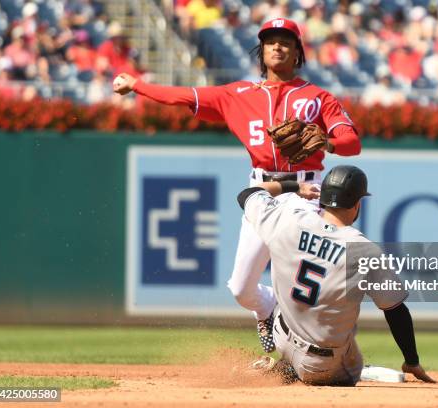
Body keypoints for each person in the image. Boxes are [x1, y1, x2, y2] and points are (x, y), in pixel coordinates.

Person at [112, 18, 361, 353]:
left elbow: (351, 141)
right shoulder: (237, 95)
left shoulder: (318, 97)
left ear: (298, 52)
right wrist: (137, 85)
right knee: (241, 288)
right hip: (263, 193)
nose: (277, 46)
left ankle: (317, 350)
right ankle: (267, 311)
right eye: (270, 41)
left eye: (285, 41)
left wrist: (328, 144)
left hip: (306, 195)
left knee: (300, 282)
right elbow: (183, 96)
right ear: (261, 51)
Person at [237, 165, 435, 386]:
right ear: (357, 204)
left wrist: (294, 186)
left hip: (281, 335)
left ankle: (286, 366)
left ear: (323, 197)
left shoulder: (288, 219)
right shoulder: (363, 250)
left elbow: (247, 194)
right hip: (320, 365)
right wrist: (411, 361)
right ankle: (296, 369)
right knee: (352, 368)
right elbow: (395, 311)